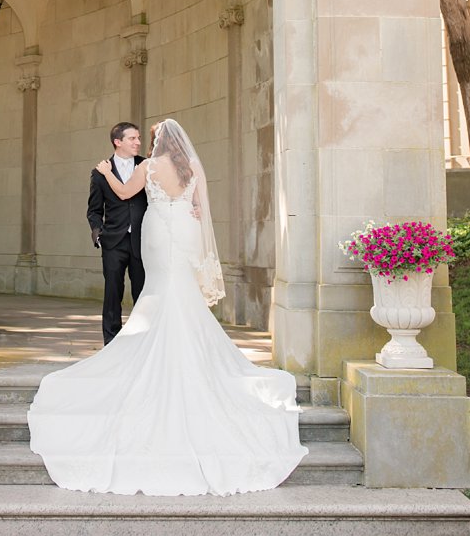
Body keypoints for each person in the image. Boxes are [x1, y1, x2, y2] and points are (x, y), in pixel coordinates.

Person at [28, 118, 307, 496]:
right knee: (180, 290)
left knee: (159, 288)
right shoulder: (191, 166)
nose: (146, 140)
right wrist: (190, 212)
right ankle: (189, 351)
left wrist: (106, 172)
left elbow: (126, 194)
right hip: (186, 231)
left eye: (150, 136)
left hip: (158, 230)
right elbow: (199, 206)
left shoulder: (149, 166)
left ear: (158, 142)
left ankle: (152, 346)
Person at [88, 121, 147, 344]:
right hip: (113, 241)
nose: (138, 142)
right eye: (133, 138)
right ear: (118, 142)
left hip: (142, 240)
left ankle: (141, 340)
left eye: (139, 138)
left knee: (142, 292)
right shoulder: (100, 172)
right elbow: (94, 210)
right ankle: (111, 343)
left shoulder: (146, 165)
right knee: (112, 293)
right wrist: (98, 234)